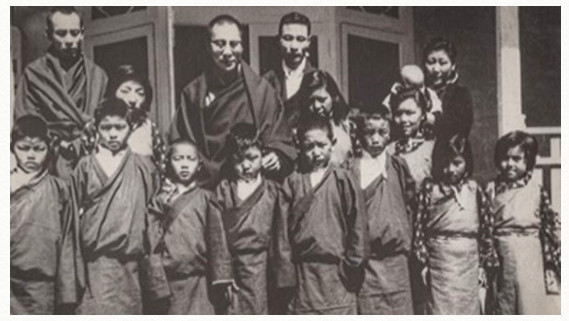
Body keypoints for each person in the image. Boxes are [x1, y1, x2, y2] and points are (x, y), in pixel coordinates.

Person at [170, 14, 296, 186]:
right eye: (219, 43)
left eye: (234, 44)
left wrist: (276, 154)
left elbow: (280, 137)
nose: (228, 52)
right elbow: (182, 142)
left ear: (242, 46)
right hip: (206, 185)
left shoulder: (262, 91)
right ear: (208, 46)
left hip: (250, 183)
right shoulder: (193, 93)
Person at [68, 98, 158, 314]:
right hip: (95, 264)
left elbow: (153, 218)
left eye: (120, 127)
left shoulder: (143, 166)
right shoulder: (85, 166)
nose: (113, 133)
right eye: (106, 127)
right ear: (96, 129)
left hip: (132, 266)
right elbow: (71, 220)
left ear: (131, 127)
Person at [278, 116, 367, 314]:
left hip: (337, 275)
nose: (316, 152)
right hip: (303, 277)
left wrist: (352, 265)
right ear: (299, 146)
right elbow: (281, 235)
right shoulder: (292, 182)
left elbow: (357, 226)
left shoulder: (343, 179)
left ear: (332, 144)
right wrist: (287, 275)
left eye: (321, 145)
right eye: (309, 146)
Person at [15, 6, 108, 179]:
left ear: (82, 33)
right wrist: (58, 144)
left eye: (74, 33)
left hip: (88, 158)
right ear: (48, 34)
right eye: (61, 33)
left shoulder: (98, 75)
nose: (69, 40)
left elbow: (106, 122)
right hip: (46, 162)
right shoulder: (34, 74)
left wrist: (81, 143)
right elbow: (25, 121)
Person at [145, 139, 234, 314]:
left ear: (199, 164)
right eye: (178, 159)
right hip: (168, 283)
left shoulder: (207, 198)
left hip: (199, 283)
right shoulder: (161, 200)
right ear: (168, 162)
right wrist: (156, 279)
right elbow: (151, 242)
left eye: (190, 159)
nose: (184, 165)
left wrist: (223, 278)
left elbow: (217, 240)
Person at [413, 134, 498, 314]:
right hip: (440, 265)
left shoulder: (475, 190)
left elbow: (486, 229)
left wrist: (484, 263)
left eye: (457, 163)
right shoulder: (430, 189)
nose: (450, 169)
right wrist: (423, 263)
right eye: (444, 163)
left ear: (467, 162)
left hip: (469, 264)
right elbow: (419, 227)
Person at [345, 104, 414, 315]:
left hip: (397, 263)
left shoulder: (398, 166)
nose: (375, 138)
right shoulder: (350, 169)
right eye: (369, 132)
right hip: (368, 264)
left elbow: (410, 206)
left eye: (382, 132)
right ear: (359, 134)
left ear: (390, 133)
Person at [215, 123, 287, 314]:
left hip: (264, 266)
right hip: (234, 266)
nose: (245, 165)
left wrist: (282, 274)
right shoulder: (223, 190)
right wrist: (224, 274)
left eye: (252, 158)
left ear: (262, 155)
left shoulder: (273, 191)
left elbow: (281, 237)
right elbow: (217, 236)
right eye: (239, 159)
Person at [10, 116, 79, 314]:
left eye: (38, 149)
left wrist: (67, 293)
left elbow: (67, 242)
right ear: (12, 147)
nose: (31, 155)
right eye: (24, 148)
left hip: (43, 286)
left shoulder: (59, 189)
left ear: (49, 149)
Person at [486, 131, 560, 314]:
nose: (510, 164)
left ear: (528, 162)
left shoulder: (537, 190)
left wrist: (551, 263)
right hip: (503, 256)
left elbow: (550, 227)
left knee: (531, 306)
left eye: (516, 159)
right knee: (504, 303)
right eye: (505, 158)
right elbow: (485, 226)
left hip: (531, 256)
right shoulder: (491, 190)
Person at [85, 65, 167, 176]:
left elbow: (162, 168)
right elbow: (84, 170)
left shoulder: (149, 128)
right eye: (125, 91)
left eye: (140, 93)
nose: (132, 99)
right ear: (113, 93)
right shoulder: (95, 126)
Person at [263, 12, 316, 125]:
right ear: (279, 40)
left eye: (300, 39)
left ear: (308, 42)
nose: (294, 46)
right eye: (288, 38)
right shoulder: (266, 81)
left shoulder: (319, 80)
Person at [297, 70, 354, 167]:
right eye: (311, 101)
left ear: (334, 97)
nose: (316, 106)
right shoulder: (299, 130)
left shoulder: (348, 126)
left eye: (322, 100)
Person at [423, 38, 473, 140]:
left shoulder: (461, 94)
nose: (436, 69)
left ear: (453, 66)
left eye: (443, 63)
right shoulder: (415, 90)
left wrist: (431, 119)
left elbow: (460, 127)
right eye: (431, 62)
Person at [386, 88, 435, 189]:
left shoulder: (433, 148)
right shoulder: (389, 150)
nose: (403, 119)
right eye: (398, 114)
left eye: (410, 113)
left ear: (423, 115)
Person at [382, 64, 442, 138]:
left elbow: (437, 110)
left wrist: (430, 117)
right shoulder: (394, 94)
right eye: (414, 87)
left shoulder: (430, 93)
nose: (420, 91)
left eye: (421, 87)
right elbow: (385, 110)